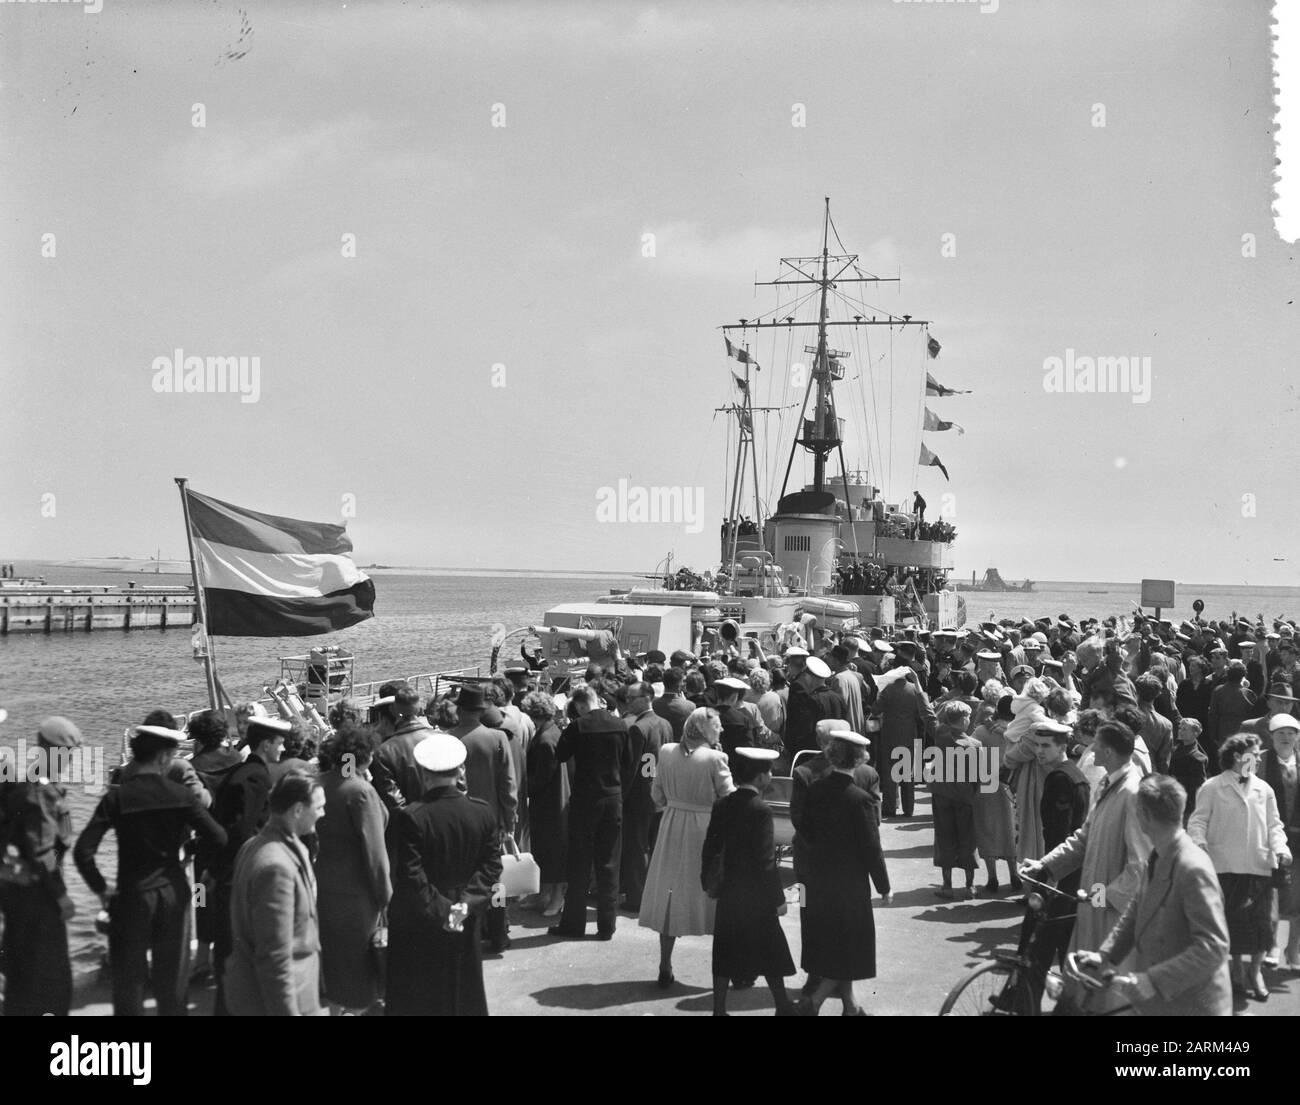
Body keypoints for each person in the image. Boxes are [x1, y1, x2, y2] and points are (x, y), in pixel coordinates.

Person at [74, 723, 227, 1017]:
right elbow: (218, 837)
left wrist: (101, 889)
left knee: (129, 983)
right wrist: (190, 852)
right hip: (172, 891)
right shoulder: (180, 795)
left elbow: (83, 851)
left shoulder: (116, 798)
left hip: (132, 893)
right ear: (162, 757)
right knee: (172, 983)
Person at [1022, 721, 1151, 1013]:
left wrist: (1103, 896)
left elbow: (1139, 865)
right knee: (1080, 988)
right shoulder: (1107, 784)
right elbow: (1082, 839)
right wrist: (1044, 864)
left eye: (1095, 745)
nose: (1091, 750)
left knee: (1106, 996)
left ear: (1106, 750)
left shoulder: (1131, 793)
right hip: (1093, 903)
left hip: (1113, 915)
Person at [1082, 774, 1232, 1016]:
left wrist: (1153, 980)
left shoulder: (1192, 868)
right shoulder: (1158, 854)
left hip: (1193, 1005)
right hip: (1162, 1001)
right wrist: (1105, 956)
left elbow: (1213, 947)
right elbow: (1135, 910)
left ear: (1145, 816)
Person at [385, 732, 503, 1016]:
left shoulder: (412, 816)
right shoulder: (483, 812)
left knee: (422, 994)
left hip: (423, 914)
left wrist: (444, 911)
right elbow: (491, 868)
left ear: (424, 775)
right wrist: (465, 905)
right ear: (460, 771)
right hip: (466, 912)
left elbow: (411, 875)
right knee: (465, 989)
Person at [1187, 733, 1292, 1000]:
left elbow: (1274, 826)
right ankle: (1235, 972)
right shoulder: (1212, 786)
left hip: (1259, 865)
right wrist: (1198, 843)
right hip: (1225, 866)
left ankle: (1255, 972)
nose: (1258, 759)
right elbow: (1198, 822)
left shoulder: (1264, 789)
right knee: (1233, 923)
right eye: (1254, 754)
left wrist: (1281, 849)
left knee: (1263, 925)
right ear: (1237, 757)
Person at [797, 732, 892, 1015]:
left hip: (818, 878)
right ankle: (813, 1003)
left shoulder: (815, 789)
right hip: (849, 884)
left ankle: (851, 1007)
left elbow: (805, 829)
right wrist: (884, 886)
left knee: (838, 944)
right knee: (850, 946)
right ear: (859, 758)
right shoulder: (860, 799)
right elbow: (871, 848)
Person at [639, 707, 734, 987]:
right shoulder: (716, 758)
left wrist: (675, 805)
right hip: (706, 829)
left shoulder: (667, 751)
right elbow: (730, 799)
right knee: (714, 891)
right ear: (705, 730)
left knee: (671, 891)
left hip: (671, 826)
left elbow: (656, 794)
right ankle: (726, 972)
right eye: (717, 726)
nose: (721, 730)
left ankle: (665, 964)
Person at [703, 747, 799, 1016]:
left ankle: (719, 1009)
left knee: (724, 952)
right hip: (756, 896)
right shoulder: (761, 810)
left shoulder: (723, 803)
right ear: (759, 777)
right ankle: (782, 1004)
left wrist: (707, 882)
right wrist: (778, 900)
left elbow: (710, 846)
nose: (771, 775)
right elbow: (766, 861)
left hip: (729, 892)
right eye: (768, 771)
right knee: (771, 951)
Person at [223, 772, 326, 1016]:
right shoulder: (276, 867)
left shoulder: (256, 845)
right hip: (279, 1001)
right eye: (320, 807)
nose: (323, 814)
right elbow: (275, 957)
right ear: (298, 810)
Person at [0, 717, 82, 1016]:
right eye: (68, 755)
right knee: (53, 983)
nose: (70, 761)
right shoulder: (41, 792)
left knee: (22, 978)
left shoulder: (26, 785)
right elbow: (42, 852)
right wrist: (61, 896)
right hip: (38, 898)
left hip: (19, 894)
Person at [210, 715, 291, 1016]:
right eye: (279, 744)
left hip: (226, 871)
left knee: (227, 951)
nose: (282, 750)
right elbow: (246, 831)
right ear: (267, 744)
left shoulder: (240, 771)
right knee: (241, 950)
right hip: (241, 877)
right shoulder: (258, 777)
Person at [315, 722, 391, 1014]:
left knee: (333, 959)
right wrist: (385, 896)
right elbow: (375, 852)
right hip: (357, 893)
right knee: (360, 963)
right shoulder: (360, 792)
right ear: (366, 755)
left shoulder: (318, 782)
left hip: (323, 886)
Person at [551, 683, 635, 941]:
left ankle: (573, 924)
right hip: (612, 798)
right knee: (609, 862)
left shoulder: (578, 726)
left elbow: (561, 754)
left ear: (578, 704)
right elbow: (628, 761)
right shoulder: (621, 725)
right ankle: (606, 926)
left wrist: (567, 725)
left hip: (585, 799)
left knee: (579, 863)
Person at [1022, 720, 1089, 996]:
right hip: (1066, 874)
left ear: (1062, 747)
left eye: (1046, 746)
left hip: (1058, 875)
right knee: (1061, 944)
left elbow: (1062, 832)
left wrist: (1046, 869)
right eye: (1037, 745)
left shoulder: (1060, 778)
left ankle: (1024, 1000)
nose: (1039, 751)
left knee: (1036, 943)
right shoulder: (1071, 772)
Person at [450, 683, 517, 953]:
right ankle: (499, 932)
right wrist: (509, 820)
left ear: (459, 709)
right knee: (496, 882)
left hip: (459, 822)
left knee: (464, 881)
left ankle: (470, 933)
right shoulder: (497, 739)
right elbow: (508, 785)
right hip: (492, 820)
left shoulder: (448, 739)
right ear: (481, 710)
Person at [620, 681, 670, 913]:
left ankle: (637, 898)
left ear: (646, 697)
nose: (628, 703)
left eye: (631, 699)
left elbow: (631, 769)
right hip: (661, 794)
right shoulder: (666, 725)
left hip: (640, 796)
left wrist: (622, 796)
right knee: (656, 847)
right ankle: (655, 894)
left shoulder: (637, 728)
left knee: (637, 848)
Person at [522, 691, 569, 918]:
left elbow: (540, 777)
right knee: (546, 848)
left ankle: (557, 896)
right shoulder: (551, 732)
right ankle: (545, 893)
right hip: (552, 800)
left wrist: (523, 788)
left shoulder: (544, 739)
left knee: (553, 850)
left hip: (550, 802)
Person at [1259, 714, 1300, 968]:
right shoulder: (1258, 760)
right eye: (1280, 734)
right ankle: (1272, 945)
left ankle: (1293, 948)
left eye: (1291, 733)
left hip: (1299, 838)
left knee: (1299, 896)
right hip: (1268, 836)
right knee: (1269, 893)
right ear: (1271, 736)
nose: (1286, 738)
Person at [931, 701, 979, 900]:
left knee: (945, 838)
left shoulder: (940, 735)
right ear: (964, 720)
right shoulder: (975, 745)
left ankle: (947, 885)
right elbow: (979, 777)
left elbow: (929, 715)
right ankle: (970, 887)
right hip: (965, 797)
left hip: (942, 794)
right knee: (968, 840)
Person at [971, 694, 1018, 894]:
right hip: (1011, 787)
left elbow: (969, 752)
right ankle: (1015, 875)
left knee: (987, 829)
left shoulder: (981, 731)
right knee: (1010, 831)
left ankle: (992, 878)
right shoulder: (1018, 732)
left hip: (986, 786)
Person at [875, 666, 936, 818]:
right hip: (910, 735)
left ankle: (889, 807)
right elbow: (920, 711)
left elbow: (876, 709)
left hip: (890, 735)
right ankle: (908, 808)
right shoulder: (914, 689)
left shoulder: (887, 689)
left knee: (890, 773)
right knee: (908, 774)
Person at [367, 681, 435, 812]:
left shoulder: (368, 744)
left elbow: (347, 773)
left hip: (392, 820)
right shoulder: (438, 739)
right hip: (432, 818)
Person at [1206, 661, 1256, 753]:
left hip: (1223, 732)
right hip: (1242, 733)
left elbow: (1212, 715)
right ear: (1242, 676)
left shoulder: (1218, 691)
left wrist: (1213, 736)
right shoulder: (1249, 694)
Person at [1169, 718, 1210, 822]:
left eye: (1185, 729)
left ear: (1195, 733)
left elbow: (1198, 786)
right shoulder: (1175, 749)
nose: (1181, 731)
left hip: (1186, 805)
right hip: (1172, 799)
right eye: (1180, 728)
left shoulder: (1198, 758)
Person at [653, 667, 695, 739]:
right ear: (680, 684)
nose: (685, 683)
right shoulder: (690, 706)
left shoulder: (654, 705)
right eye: (683, 681)